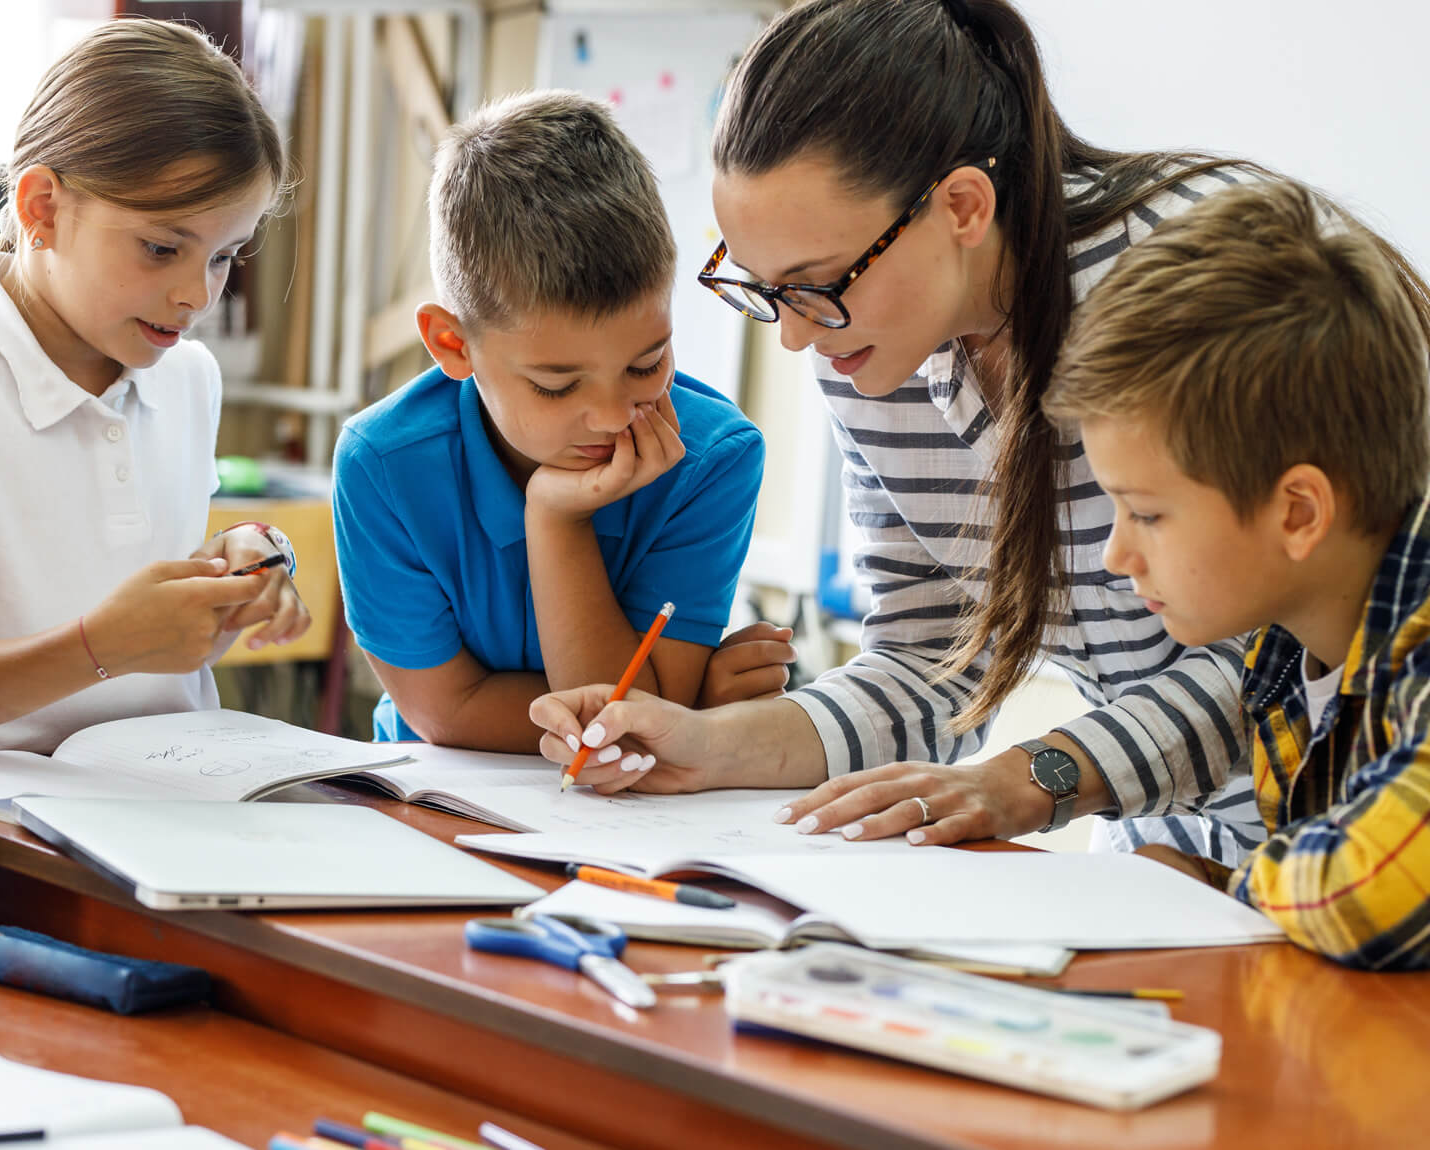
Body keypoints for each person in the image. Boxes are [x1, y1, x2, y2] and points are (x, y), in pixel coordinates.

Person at [534, 0, 1265, 861]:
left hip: (1365, 826)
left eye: (814, 284)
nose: (796, 335)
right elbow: (928, 663)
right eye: (764, 290)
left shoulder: (1185, 281)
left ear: (961, 206)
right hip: (1175, 845)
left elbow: (1289, 656)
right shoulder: (871, 346)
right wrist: (709, 745)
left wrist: (1034, 778)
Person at [0, 18, 309, 759]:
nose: (197, 296)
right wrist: (102, 644)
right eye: (162, 248)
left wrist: (234, 566)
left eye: (225, 256)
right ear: (43, 208)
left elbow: (138, 600)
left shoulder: (189, 376)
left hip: (169, 788)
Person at [1044, 179, 1430, 971]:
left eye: (1145, 513)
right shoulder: (1285, 657)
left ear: (1297, 513)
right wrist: (1202, 883)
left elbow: (1377, 888)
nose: (1117, 556)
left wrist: (1224, 891)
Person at [332, 90, 776, 752]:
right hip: (430, 804)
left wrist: (556, 520)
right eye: (556, 385)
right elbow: (446, 714)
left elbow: (630, 726)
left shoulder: (712, 459)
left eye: (646, 364)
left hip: (628, 823)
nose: (612, 415)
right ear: (454, 346)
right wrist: (685, 706)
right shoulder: (384, 466)